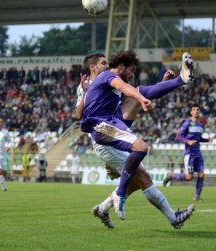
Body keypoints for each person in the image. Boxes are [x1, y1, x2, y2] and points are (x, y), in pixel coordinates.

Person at [77, 51, 195, 229]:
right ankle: (173, 218)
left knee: (137, 180)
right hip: (103, 134)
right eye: (102, 63)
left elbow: (133, 91)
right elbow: (82, 114)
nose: (105, 64)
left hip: (113, 125)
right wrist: (140, 98)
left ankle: (103, 208)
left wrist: (160, 85)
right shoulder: (100, 80)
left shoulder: (111, 81)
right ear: (92, 67)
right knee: (143, 175)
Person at [163, 104, 212, 201]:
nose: (196, 111)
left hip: (198, 153)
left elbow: (199, 138)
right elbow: (178, 136)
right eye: (194, 109)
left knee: (201, 174)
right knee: (189, 177)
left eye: (198, 109)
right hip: (189, 153)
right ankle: (171, 176)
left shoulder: (201, 125)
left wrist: (206, 140)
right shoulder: (187, 123)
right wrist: (188, 141)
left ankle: (196, 196)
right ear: (191, 112)